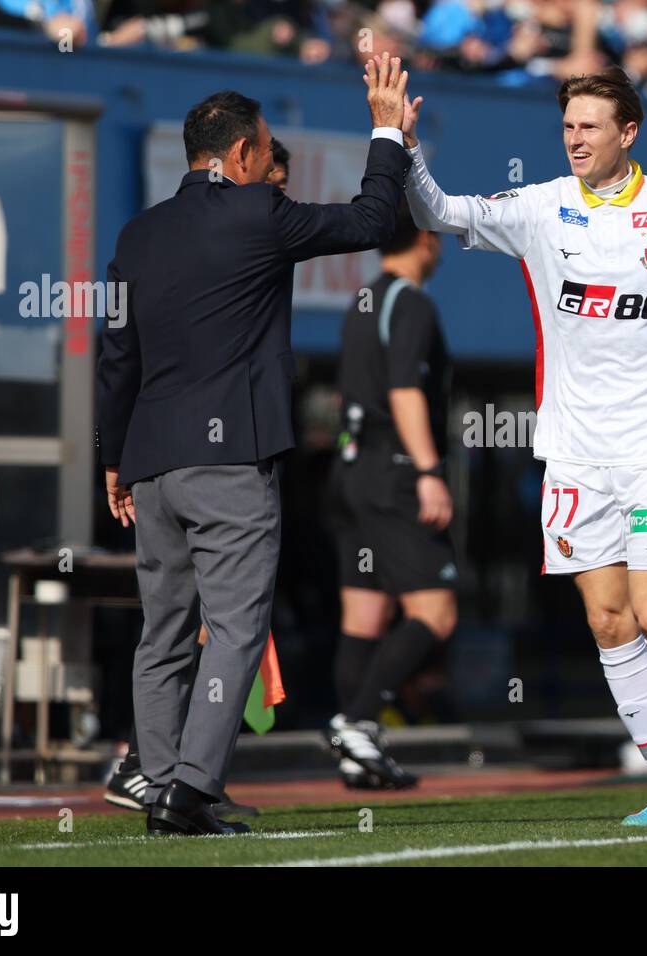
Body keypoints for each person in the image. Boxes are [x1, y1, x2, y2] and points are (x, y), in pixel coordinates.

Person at [401, 65, 647, 827]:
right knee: (608, 620)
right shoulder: (541, 208)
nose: (575, 138)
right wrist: (402, 145)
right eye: (568, 126)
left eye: (590, 126)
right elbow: (436, 210)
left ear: (627, 133)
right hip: (573, 449)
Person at [96, 54, 412, 836]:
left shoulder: (137, 234)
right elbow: (373, 220)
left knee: (162, 634)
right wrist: (385, 128)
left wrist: (113, 457)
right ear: (239, 157)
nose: (276, 167)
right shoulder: (260, 212)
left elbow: (116, 358)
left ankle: (162, 781)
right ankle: (193, 790)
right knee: (236, 629)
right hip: (229, 460)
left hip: (152, 465)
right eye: (269, 153)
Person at [327, 202, 455, 790]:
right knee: (435, 611)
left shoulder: (362, 301)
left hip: (351, 471)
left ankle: (358, 750)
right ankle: (355, 723)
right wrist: (428, 469)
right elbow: (405, 391)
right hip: (393, 472)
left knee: (365, 616)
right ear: (426, 239)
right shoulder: (412, 303)